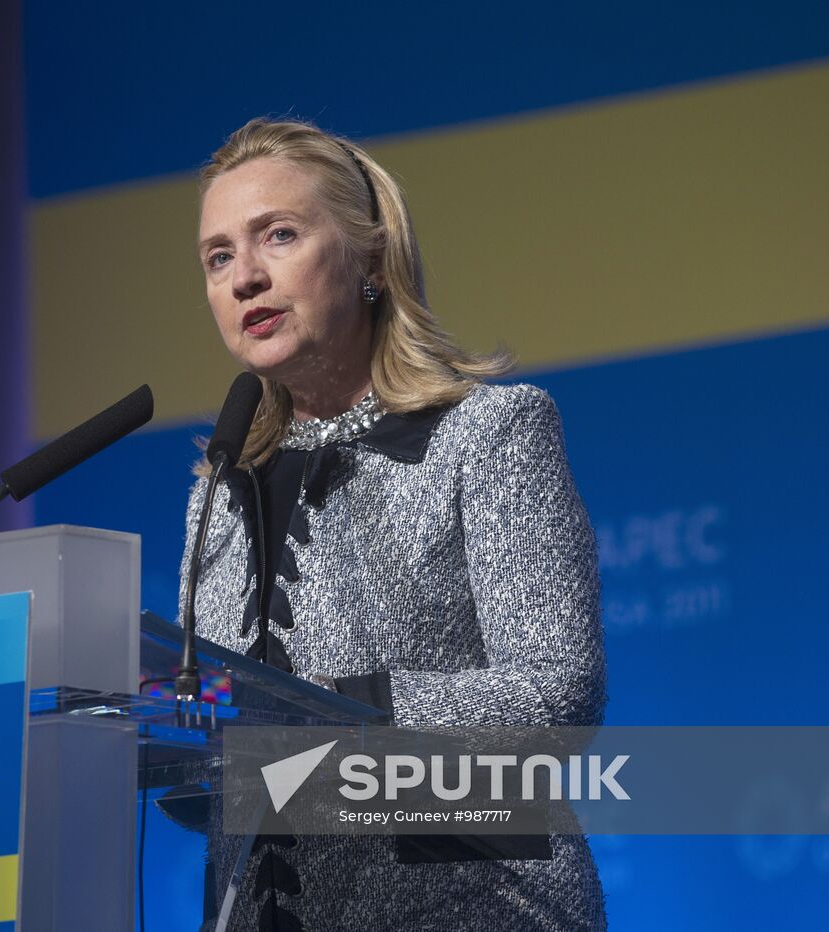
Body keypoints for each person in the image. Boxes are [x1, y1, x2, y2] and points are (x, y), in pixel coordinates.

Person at [179, 118, 607, 930]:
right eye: (219, 257)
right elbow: (219, 787)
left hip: (474, 908)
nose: (245, 278)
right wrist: (175, 733)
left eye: (279, 236)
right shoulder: (217, 499)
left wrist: (329, 720)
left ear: (370, 257)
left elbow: (558, 695)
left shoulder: (489, 434)